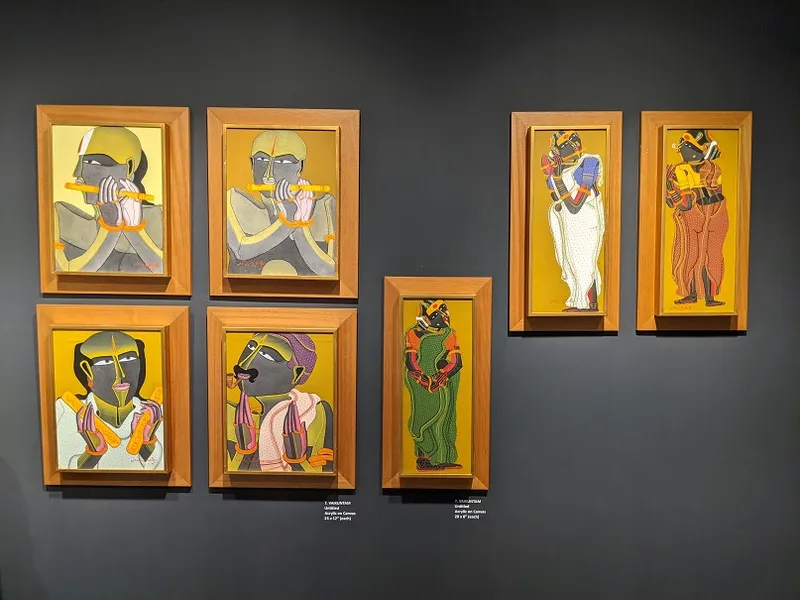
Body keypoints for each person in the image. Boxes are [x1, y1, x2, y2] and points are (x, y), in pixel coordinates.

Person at [54, 126, 163, 273]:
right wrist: (110, 228)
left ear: (129, 168)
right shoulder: (60, 217)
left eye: (93, 163)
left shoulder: (162, 219)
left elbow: (172, 274)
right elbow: (61, 276)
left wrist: (133, 229)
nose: (77, 173)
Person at [226, 130, 336, 277]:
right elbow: (241, 251)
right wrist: (289, 220)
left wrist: (300, 222)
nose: (268, 175)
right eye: (262, 160)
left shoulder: (325, 206)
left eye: (282, 162)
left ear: (299, 167)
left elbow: (328, 271)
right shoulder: (235, 200)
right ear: (252, 164)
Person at [55, 331, 164, 470]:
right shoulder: (63, 411)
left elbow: (163, 472)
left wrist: (147, 443)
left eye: (128, 359)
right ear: (87, 370)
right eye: (106, 362)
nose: (121, 374)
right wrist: (93, 453)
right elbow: (62, 472)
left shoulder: (157, 412)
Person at [226, 332, 334, 472]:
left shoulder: (317, 415)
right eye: (250, 348)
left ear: (297, 374)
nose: (245, 364)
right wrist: (243, 452)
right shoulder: (228, 413)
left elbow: (322, 474)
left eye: (267, 356)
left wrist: (298, 461)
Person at [540, 130, 605, 311]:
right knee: (569, 261)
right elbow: (558, 198)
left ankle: (589, 305)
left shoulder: (589, 162)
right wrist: (551, 175)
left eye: (557, 149)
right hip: (568, 222)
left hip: (585, 221)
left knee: (584, 262)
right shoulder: (563, 170)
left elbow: (574, 206)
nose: (555, 154)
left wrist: (557, 177)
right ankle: (580, 302)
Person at [665, 129, 728, 306]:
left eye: (683, 146)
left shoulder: (713, 168)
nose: (680, 150)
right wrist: (671, 189)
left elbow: (715, 191)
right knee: (690, 254)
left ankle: (710, 297)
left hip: (715, 214)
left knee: (711, 256)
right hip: (691, 215)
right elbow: (683, 204)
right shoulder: (680, 170)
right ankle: (691, 294)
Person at [403, 299, 463, 472]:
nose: (446, 315)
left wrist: (442, 375)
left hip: (443, 381)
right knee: (423, 417)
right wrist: (424, 379)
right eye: (442, 311)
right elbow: (411, 361)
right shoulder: (413, 333)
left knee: (446, 418)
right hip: (420, 381)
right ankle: (425, 459)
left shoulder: (449, 334)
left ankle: (444, 457)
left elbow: (456, 361)